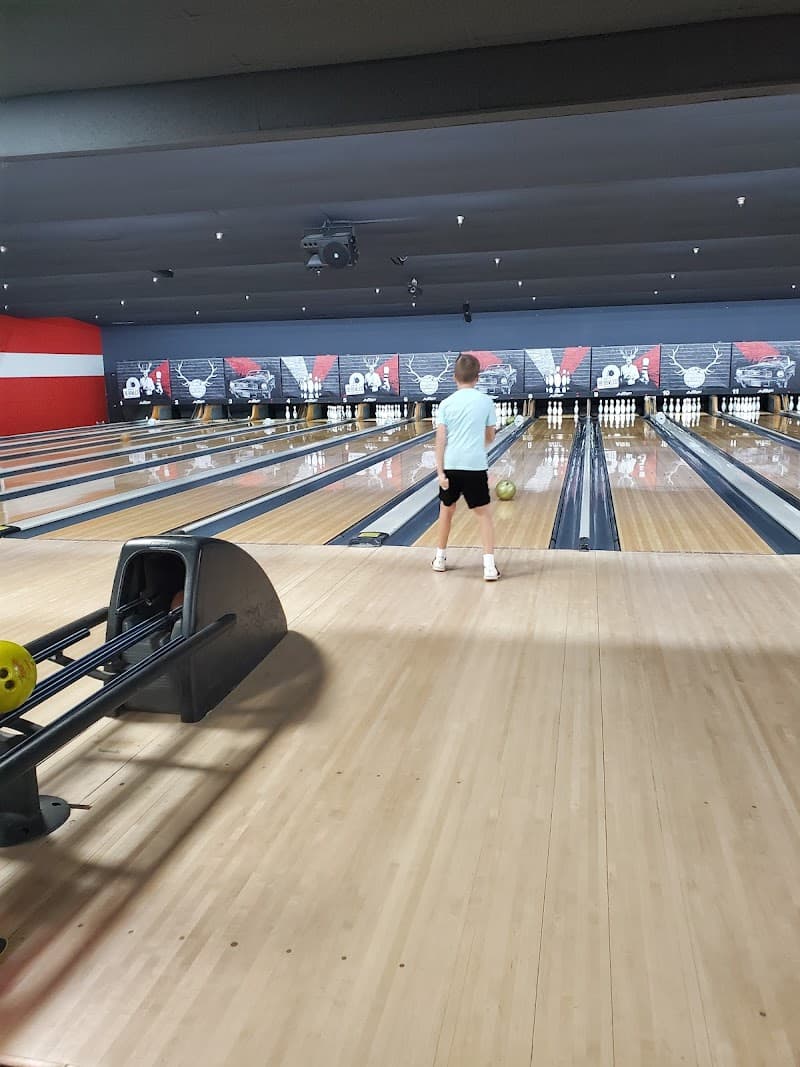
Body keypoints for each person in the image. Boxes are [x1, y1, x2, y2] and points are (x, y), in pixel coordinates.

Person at [432, 353, 500, 581]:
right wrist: (479, 441)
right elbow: (490, 437)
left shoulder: (446, 404)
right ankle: (489, 567)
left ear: (454, 377)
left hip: (451, 466)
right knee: (484, 516)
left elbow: (440, 440)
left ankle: (440, 559)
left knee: (446, 512)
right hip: (475, 467)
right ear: (478, 377)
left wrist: (440, 472)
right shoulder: (486, 402)